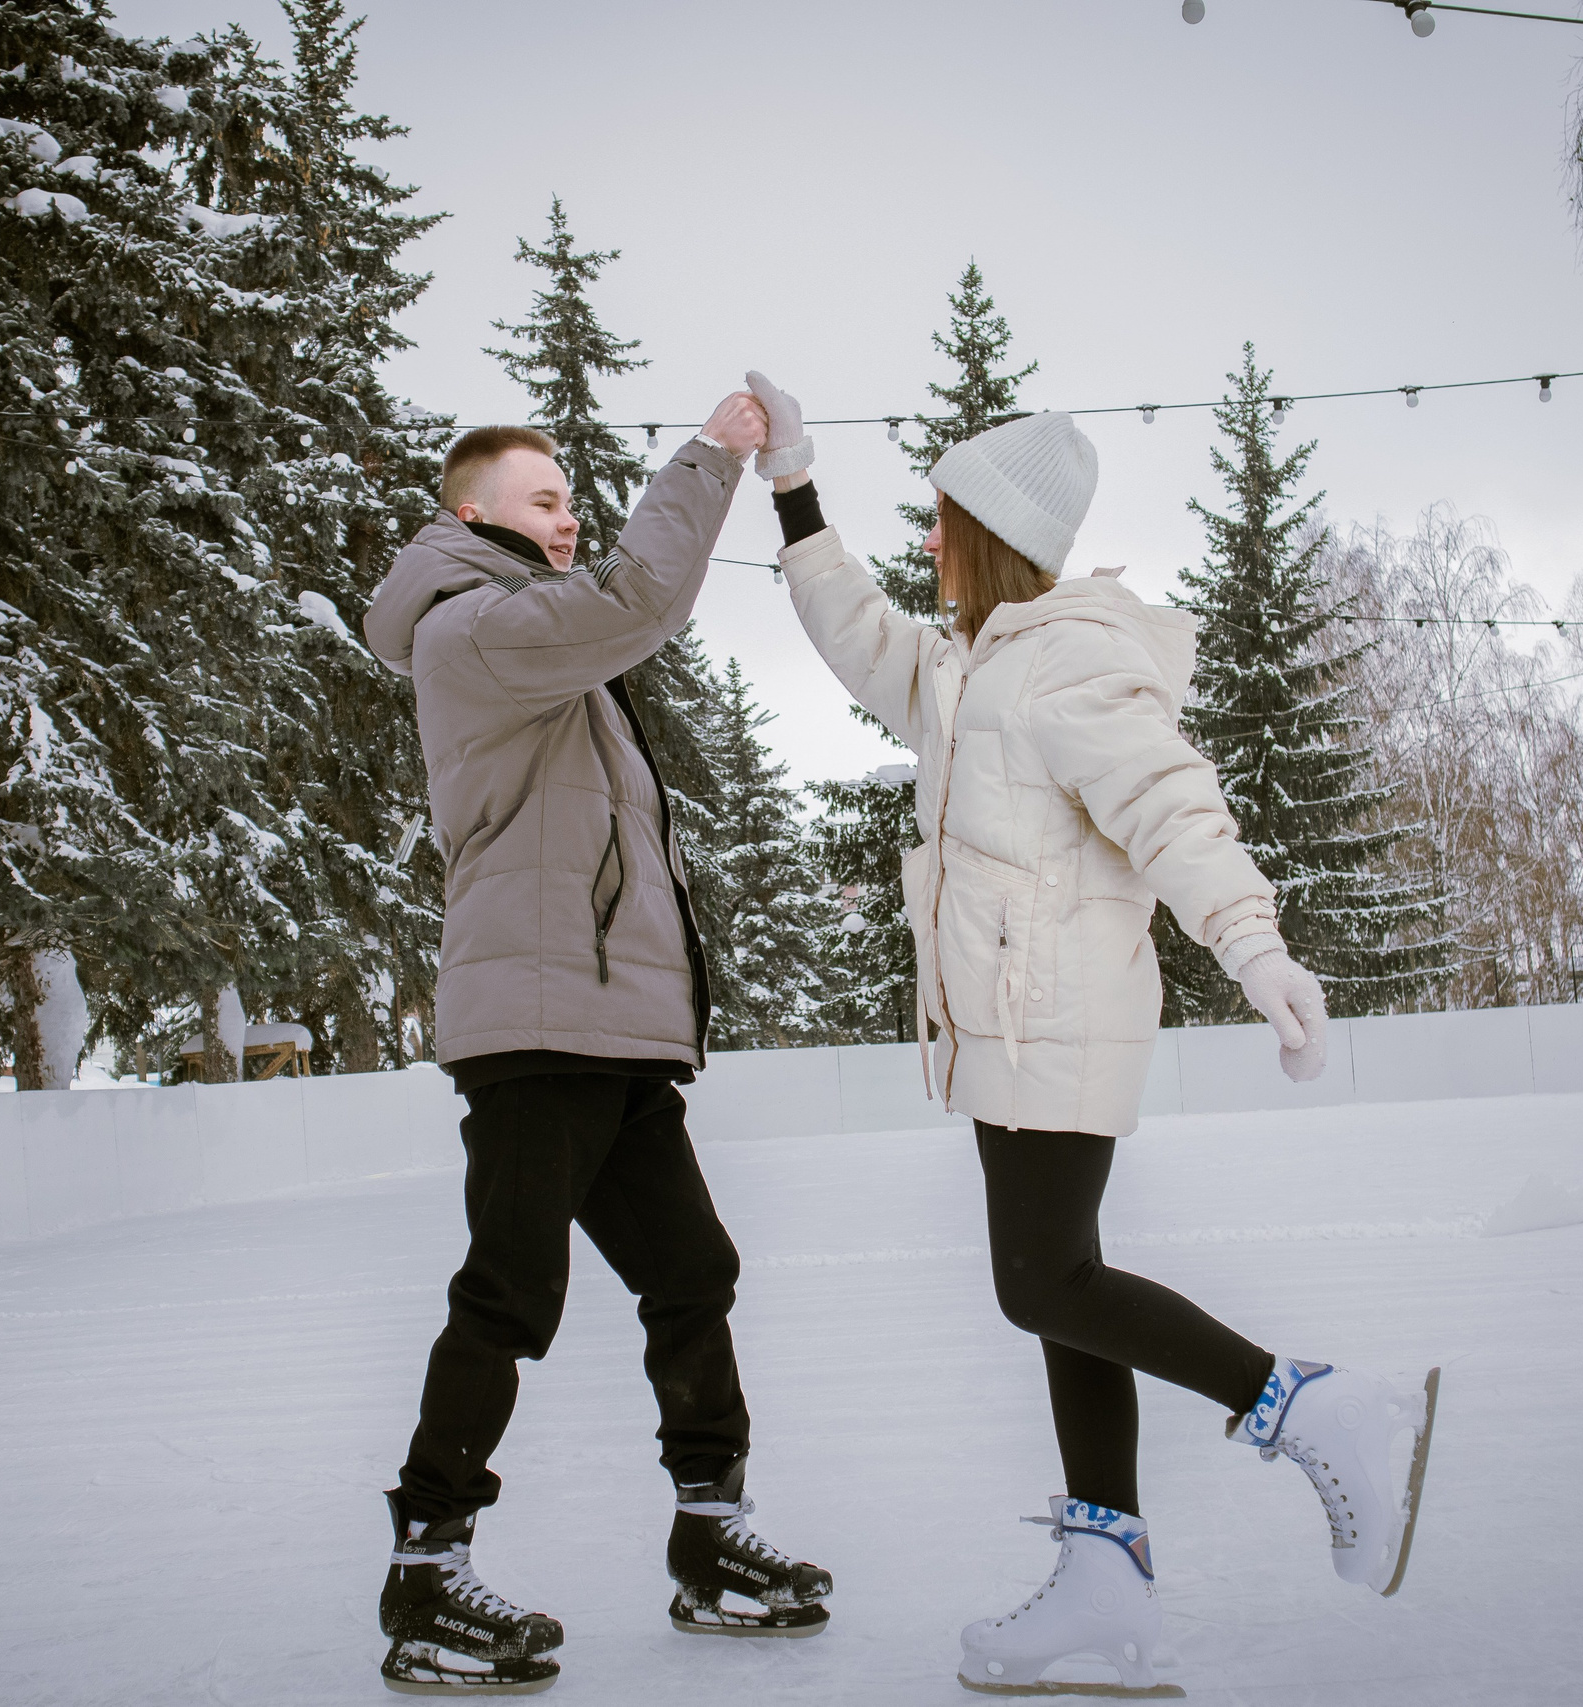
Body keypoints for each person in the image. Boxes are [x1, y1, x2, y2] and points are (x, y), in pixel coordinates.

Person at [744, 373, 1439, 1699]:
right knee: (1065, 1291)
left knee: (1045, 1283)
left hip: (1053, 1015)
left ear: (992, 532)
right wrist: (794, 487)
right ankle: (1104, 1584)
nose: (929, 541)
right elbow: (852, 630)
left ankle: (1314, 1407)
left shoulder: (1068, 662)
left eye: (944, 520)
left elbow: (1174, 806)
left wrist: (1255, 946)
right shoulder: (967, 669)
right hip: (1010, 1021)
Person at [359, 394, 833, 1696]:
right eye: (546, 501)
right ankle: (426, 1571)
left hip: (607, 1029)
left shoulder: (533, 637)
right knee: (511, 1292)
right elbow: (641, 598)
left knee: (692, 1271)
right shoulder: (473, 626)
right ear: (472, 515)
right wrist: (715, 456)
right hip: (536, 1029)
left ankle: (711, 1535)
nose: (567, 521)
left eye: (571, 501)